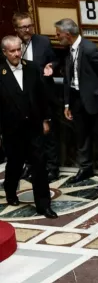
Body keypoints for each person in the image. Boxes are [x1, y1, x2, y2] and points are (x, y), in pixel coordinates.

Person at [56, 18, 98, 184]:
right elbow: (68, 78)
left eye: (59, 34)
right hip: (77, 100)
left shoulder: (90, 49)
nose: (57, 37)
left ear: (67, 34)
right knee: (81, 137)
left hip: (96, 101)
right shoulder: (68, 50)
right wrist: (67, 103)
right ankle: (85, 168)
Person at [0, 36, 57, 218]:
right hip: (11, 129)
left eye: (19, 49)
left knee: (39, 165)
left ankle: (44, 205)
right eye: (12, 51)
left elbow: (42, 96)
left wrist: (45, 119)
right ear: (4, 52)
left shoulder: (31, 68)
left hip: (33, 126)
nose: (17, 54)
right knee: (15, 164)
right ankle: (10, 190)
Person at [12, 12, 59, 182]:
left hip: (43, 95)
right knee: (27, 135)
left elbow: (55, 60)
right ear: (16, 29)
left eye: (30, 26)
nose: (28, 29)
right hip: (22, 97)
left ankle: (53, 168)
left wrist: (51, 66)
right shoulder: (11, 44)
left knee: (49, 134)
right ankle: (30, 165)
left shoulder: (43, 41)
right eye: (24, 27)